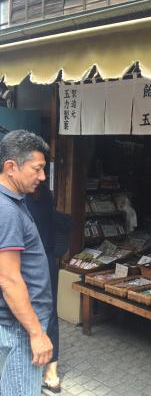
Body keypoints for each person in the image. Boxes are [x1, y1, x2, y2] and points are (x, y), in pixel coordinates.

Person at [0, 130, 53, 396]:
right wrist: (36, 333)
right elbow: (9, 279)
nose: (42, 177)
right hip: (20, 326)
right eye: (37, 169)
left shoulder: (12, 201)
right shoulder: (7, 211)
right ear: (11, 167)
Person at [26, 183, 61, 393]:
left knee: (25, 311)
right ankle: (51, 372)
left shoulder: (16, 197)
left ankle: (45, 369)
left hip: (28, 260)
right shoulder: (46, 194)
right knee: (49, 312)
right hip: (47, 260)